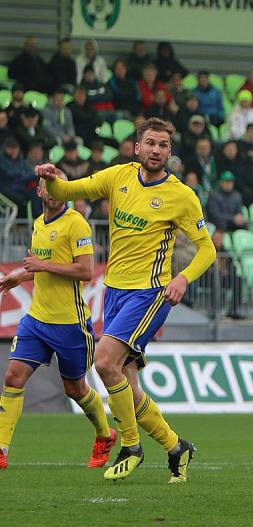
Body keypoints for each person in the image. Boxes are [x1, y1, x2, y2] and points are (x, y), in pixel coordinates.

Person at [34, 117, 216, 483]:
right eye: (150, 143)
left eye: (163, 145)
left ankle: (131, 444)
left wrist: (182, 278)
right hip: (114, 292)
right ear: (137, 147)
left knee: (103, 361)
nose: (156, 150)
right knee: (128, 390)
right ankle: (176, 446)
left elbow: (207, 249)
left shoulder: (181, 195)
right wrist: (52, 176)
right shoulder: (118, 176)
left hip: (149, 292)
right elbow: (71, 192)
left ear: (169, 151)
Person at [0, 175, 116, 470]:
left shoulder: (76, 223)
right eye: (47, 186)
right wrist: (22, 275)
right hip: (37, 320)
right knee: (13, 377)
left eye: (59, 186)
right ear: (39, 190)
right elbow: (44, 269)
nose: (53, 192)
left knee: (75, 389)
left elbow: (85, 271)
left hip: (70, 325)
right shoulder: (39, 224)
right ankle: (1, 449)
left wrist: (39, 266)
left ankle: (104, 434)